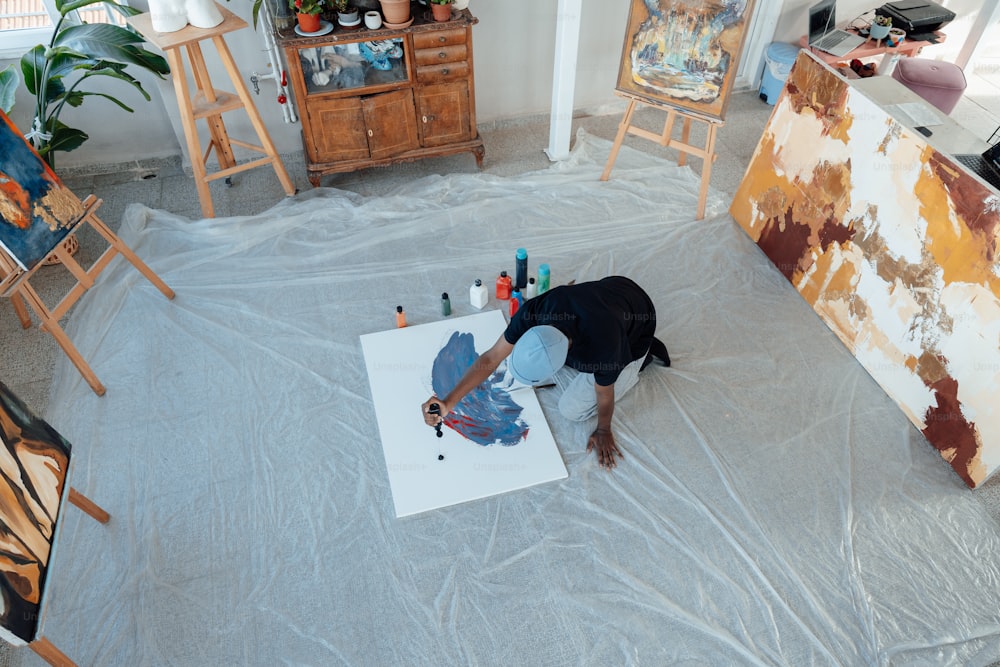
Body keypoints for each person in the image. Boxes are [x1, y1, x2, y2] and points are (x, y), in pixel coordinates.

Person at [421, 276, 670, 470]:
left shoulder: (604, 350)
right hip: (615, 288)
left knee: (571, 409)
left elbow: (605, 394)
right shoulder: (534, 311)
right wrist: (448, 401)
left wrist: (603, 429)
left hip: (636, 326)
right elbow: (492, 356)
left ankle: (639, 361)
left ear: (557, 367)